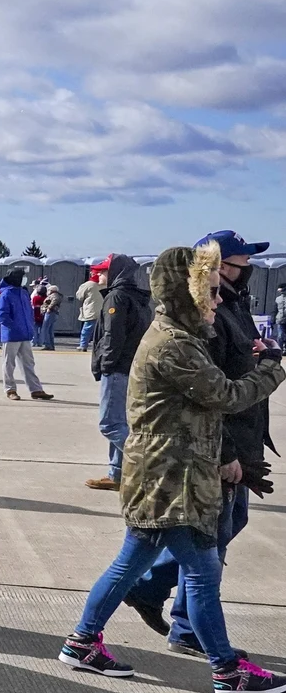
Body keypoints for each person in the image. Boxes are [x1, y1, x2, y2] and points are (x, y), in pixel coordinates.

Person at [59, 242, 286, 693]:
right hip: (173, 480)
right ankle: (226, 670)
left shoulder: (181, 336)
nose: (219, 301)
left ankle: (82, 641)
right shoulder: (175, 343)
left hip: (164, 475)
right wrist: (270, 367)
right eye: (211, 294)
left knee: (131, 563)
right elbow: (225, 395)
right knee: (202, 572)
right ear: (189, 294)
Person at [121, 231, 274, 652]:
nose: (249, 271)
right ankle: (189, 630)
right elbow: (215, 396)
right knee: (206, 546)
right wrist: (227, 454)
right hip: (210, 448)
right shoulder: (200, 319)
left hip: (232, 440)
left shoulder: (227, 305)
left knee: (211, 534)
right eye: (244, 262)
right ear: (221, 266)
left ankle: (149, 595)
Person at [84, 255, 148, 491]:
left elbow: (113, 335)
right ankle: (117, 474)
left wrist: (106, 364)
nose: (98, 275)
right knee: (122, 422)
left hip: (119, 368)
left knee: (110, 424)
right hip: (132, 368)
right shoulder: (135, 297)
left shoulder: (117, 297)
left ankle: (149, 464)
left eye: (102, 271)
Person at [0, 269, 52, 400]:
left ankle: (36, 389)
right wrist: (14, 327)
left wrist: (29, 325)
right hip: (12, 335)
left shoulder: (23, 293)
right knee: (9, 363)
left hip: (25, 334)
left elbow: (28, 312)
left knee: (29, 363)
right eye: (22, 277)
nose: (25, 279)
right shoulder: (6, 294)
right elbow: (2, 316)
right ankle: (10, 389)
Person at [76, 265, 105, 351]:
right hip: (103, 311)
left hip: (91, 310)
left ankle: (83, 345)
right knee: (101, 331)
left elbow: (79, 296)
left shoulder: (88, 284)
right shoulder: (105, 284)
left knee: (87, 329)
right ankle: (99, 346)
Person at [35, 281, 62, 351]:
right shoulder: (56, 295)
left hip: (50, 313)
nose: (48, 291)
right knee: (49, 330)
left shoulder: (54, 295)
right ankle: (51, 345)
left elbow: (54, 301)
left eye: (49, 290)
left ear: (52, 290)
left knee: (45, 329)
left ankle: (48, 345)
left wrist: (49, 308)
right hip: (52, 313)